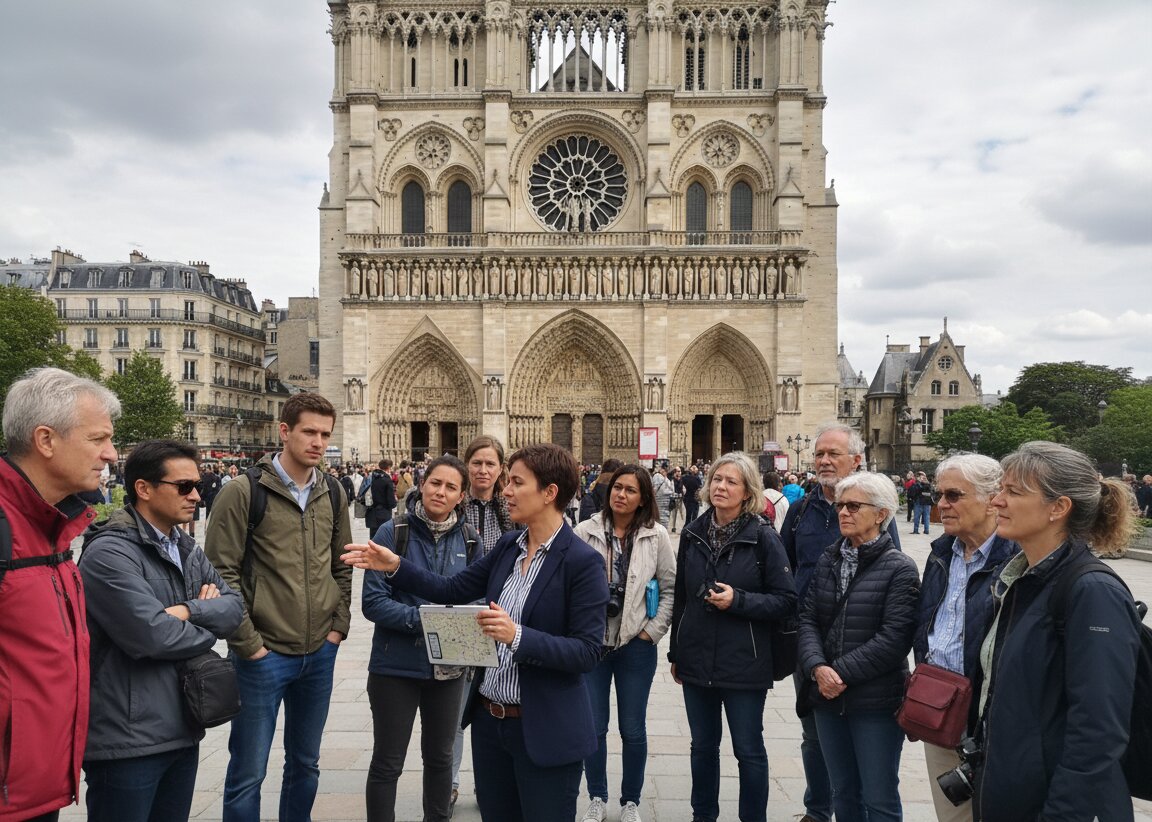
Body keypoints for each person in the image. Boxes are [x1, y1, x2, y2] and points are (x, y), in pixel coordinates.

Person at [344, 443, 608, 822]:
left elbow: (586, 652)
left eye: (516, 482)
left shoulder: (583, 563)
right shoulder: (507, 547)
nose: (506, 491)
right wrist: (396, 564)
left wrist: (516, 635)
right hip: (491, 724)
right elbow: (450, 590)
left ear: (550, 493)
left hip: (543, 728)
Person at [205, 393, 353, 822]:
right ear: (284, 431)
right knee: (248, 772)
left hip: (319, 653)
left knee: (306, 764)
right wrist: (249, 644)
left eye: (325, 434)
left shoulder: (334, 492)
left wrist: (336, 629)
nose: (318, 442)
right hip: (261, 656)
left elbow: (343, 563)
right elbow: (219, 573)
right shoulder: (242, 491)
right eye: (309, 431)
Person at [975, 442, 1141, 821]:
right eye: (1001, 489)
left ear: (1058, 508)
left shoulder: (1092, 592)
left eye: (1013, 492)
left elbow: (1098, 732)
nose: (996, 501)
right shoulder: (1023, 580)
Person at [79, 440, 243, 822]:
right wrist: (206, 623)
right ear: (144, 488)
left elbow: (234, 608)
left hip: (182, 726)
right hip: (128, 740)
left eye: (197, 485)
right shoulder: (109, 553)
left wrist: (187, 610)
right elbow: (151, 635)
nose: (197, 496)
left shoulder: (184, 546)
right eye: (184, 486)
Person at [0, 367, 119, 821]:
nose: (110, 454)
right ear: (46, 440)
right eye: (97, 439)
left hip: (38, 784)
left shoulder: (56, 527)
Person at [778, 422, 901, 822]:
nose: (825, 461)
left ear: (856, 460)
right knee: (815, 738)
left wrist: (842, 668)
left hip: (863, 658)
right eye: (819, 454)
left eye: (834, 454)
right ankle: (817, 810)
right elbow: (786, 572)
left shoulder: (881, 521)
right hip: (812, 648)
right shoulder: (799, 512)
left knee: (870, 767)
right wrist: (812, 656)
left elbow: (889, 585)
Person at [668, 452, 797, 822]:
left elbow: (787, 600)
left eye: (731, 482)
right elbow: (681, 597)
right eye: (717, 480)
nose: (721, 487)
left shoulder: (763, 538)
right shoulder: (692, 533)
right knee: (702, 748)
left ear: (748, 492)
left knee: (748, 749)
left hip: (745, 660)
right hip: (696, 658)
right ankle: (702, 816)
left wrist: (738, 600)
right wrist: (677, 651)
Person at [796, 472, 920, 822]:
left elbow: (895, 638)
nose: (843, 512)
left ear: (881, 514)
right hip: (827, 697)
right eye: (840, 505)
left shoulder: (900, 568)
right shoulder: (828, 558)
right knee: (844, 793)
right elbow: (807, 619)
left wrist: (838, 672)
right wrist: (817, 668)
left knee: (879, 798)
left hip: (875, 701)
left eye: (854, 505)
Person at [363, 455, 474, 822]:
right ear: (421, 485)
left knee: (441, 759)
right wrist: (429, 621)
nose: (440, 492)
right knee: (388, 761)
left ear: (461, 495)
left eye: (450, 487)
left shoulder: (471, 542)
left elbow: (474, 599)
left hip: (448, 669)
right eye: (435, 483)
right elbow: (373, 603)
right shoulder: (392, 533)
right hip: (395, 665)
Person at [910, 454, 1017, 821]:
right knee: (952, 816)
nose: (941, 505)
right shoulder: (942, 552)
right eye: (940, 495)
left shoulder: (1017, 559)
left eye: (954, 495)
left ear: (992, 498)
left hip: (994, 719)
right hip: (940, 708)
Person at [575, 465, 677, 822]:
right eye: (617, 487)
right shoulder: (584, 531)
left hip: (636, 643)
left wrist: (653, 631)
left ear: (643, 498)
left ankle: (630, 800)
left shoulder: (657, 535)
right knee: (594, 726)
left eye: (630, 490)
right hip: (592, 645)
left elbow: (670, 587)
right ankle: (597, 797)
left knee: (633, 728)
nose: (621, 495)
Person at [450, 435, 519, 808]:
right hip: (461, 613)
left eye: (490, 464)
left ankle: (488, 781)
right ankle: (450, 781)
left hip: (500, 614)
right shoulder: (452, 503)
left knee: (493, 702)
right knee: (456, 708)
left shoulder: (510, 509)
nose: (482, 470)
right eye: (476, 462)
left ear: (500, 468)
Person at [364, 459, 398, 534]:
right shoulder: (386, 479)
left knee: (373, 537)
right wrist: (395, 504)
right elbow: (391, 501)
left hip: (371, 512)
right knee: (383, 537)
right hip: (383, 513)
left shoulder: (371, 477)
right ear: (388, 467)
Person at [667, 466, 685, 533]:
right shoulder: (671, 479)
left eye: (679, 471)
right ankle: (673, 527)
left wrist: (682, 494)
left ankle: (682, 527)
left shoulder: (682, 479)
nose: (679, 473)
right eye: (677, 471)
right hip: (674, 498)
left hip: (681, 499)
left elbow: (684, 488)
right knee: (674, 514)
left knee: (682, 513)